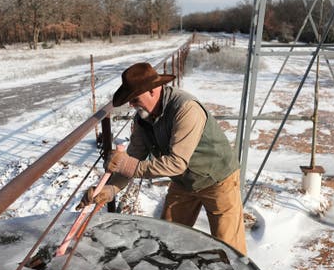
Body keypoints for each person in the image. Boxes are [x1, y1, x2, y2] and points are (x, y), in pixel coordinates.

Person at [80, 62, 247, 255]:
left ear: (153, 91)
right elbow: (134, 157)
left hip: (218, 180)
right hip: (184, 182)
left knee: (229, 246)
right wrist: (110, 188)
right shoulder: (142, 119)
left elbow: (175, 163)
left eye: (134, 99)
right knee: (168, 236)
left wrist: (127, 164)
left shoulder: (186, 109)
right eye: (130, 101)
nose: (131, 105)